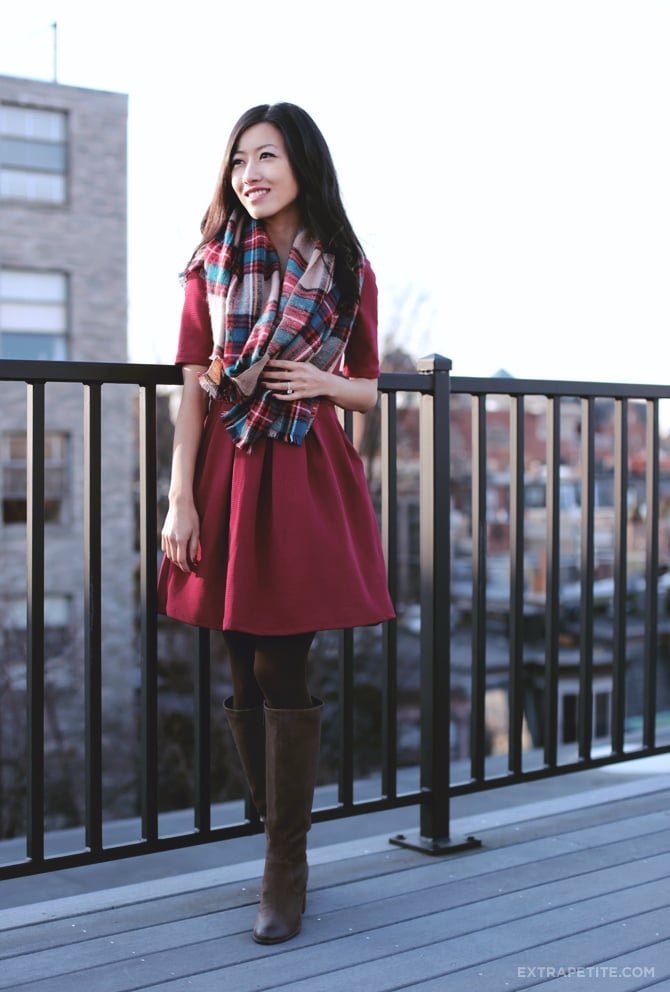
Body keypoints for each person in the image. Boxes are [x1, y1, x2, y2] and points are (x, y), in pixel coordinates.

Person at [157, 102, 395, 944]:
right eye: (238, 161)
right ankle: (277, 837)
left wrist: (322, 384)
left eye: (266, 157)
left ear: (302, 166)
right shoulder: (210, 265)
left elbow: (368, 383)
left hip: (301, 469)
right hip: (223, 468)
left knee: (279, 666)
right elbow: (192, 388)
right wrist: (179, 497)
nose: (249, 174)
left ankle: (283, 869)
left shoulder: (346, 268)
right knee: (236, 661)